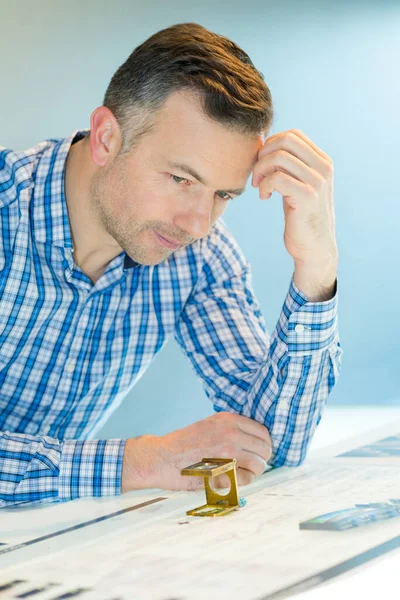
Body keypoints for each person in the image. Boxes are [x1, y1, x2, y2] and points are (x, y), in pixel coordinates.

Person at [0, 22, 341, 508]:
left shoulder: (196, 253)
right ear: (105, 138)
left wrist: (317, 267)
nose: (199, 222)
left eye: (223, 194)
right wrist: (143, 461)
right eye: (181, 178)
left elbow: (269, 446)